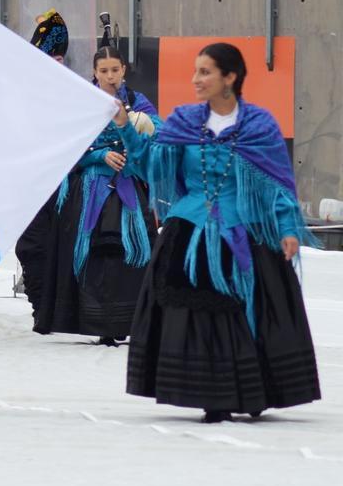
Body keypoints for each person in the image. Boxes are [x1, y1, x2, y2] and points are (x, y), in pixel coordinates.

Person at [121, 42, 319, 423]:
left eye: (205, 72)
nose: (196, 79)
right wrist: (124, 130)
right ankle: (210, 394)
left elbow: (278, 184)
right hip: (189, 231)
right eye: (195, 71)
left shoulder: (260, 126)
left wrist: (288, 227)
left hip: (246, 230)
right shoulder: (182, 121)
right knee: (197, 315)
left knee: (251, 310)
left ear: (230, 77)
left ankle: (254, 390)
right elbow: (150, 164)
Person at [34, 46, 159, 344]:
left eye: (115, 70)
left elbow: (159, 136)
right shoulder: (81, 102)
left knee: (130, 256)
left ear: (124, 70)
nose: (110, 76)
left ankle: (130, 321)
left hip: (128, 187)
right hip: (90, 189)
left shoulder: (139, 103)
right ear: (94, 72)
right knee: (94, 258)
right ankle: (95, 322)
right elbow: (65, 147)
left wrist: (139, 130)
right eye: (103, 71)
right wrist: (99, 155)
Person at [14, 8, 71, 314]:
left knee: (59, 246)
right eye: (51, 57)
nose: (56, 63)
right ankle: (39, 304)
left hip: (66, 184)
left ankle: (54, 305)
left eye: (59, 58)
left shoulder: (76, 92)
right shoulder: (22, 93)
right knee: (31, 246)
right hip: (32, 183)